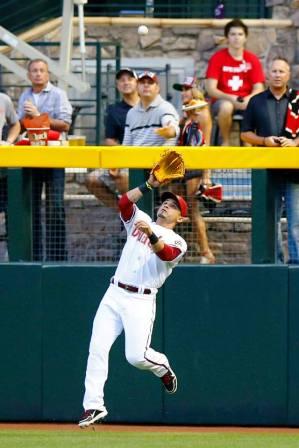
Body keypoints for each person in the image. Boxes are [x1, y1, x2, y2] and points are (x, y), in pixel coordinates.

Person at [79, 172, 188, 428]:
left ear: (180, 218)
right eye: (165, 202)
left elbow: (166, 254)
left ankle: (162, 367)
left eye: (173, 206)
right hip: (114, 292)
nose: (166, 206)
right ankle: (93, 406)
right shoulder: (141, 219)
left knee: (136, 357)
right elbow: (124, 204)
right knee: (97, 348)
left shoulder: (178, 241)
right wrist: (149, 184)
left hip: (141, 300)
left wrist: (151, 234)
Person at [241, 57, 299, 264]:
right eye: (274, 71)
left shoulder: (298, 100)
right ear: (268, 74)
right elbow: (245, 134)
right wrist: (264, 140)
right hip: (266, 173)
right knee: (271, 222)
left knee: (295, 222)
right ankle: (276, 262)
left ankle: (297, 262)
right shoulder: (256, 101)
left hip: (294, 173)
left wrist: (294, 142)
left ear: (288, 75)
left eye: (281, 71)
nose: (277, 75)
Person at [17, 59, 72, 261]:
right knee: (30, 207)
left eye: (42, 70)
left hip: (54, 157)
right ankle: (33, 255)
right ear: (29, 75)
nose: (38, 74)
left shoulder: (59, 94)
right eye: (34, 71)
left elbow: (65, 125)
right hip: (31, 158)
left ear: (48, 74)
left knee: (55, 207)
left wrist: (39, 116)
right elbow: (21, 123)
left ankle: (58, 256)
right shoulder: (25, 95)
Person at [205, 18, 265, 146]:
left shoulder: (252, 59)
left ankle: (248, 145)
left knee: (254, 106)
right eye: (232, 34)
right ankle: (225, 142)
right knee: (227, 107)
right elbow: (211, 88)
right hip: (223, 101)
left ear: (245, 37)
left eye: (240, 34)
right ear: (227, 37)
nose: (236, 38)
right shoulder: (218, 58)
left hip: (246, 100)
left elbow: (259, 88)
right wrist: (231, 98)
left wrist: (248, 99)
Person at [86, 68, 139, 208]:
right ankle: (124, 212)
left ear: (137, 82)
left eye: (130, 79)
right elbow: (109, 140)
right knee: (92, 179)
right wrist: (121, 157)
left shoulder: (147, 105)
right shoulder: (113, 110)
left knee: (123, 177)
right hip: (122, 158)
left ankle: (135, 215)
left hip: (146, 159)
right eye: (122, 80)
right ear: (117, 85)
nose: (126, 82)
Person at [174, 98, 216, 263]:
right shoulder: (184, 123)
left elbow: (203, 150)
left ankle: (206, 252)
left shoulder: (198, 125)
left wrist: (206, 177)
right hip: (179, 169)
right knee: (174, 206)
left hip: (193, 170)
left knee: (193, 210)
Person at [122, 71, 180, 147]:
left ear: (157, 88)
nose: (146, 85)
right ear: (137, 88)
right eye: (142, 82)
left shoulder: (165, 107)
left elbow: (172, 127)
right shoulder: (131, 113)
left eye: (150, 83)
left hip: (158, 157)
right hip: (135, 157)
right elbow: (126, 143)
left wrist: (170, 130)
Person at [0, 93, 21, 255]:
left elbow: (15, 124)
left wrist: (8, 142)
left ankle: (9, 254)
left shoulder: (3, 99)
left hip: (2, 166)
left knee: (8, 210)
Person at [173, 76, 213, 145]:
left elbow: (206, 143)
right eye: (182, 90)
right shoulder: (187, 111)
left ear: (195, 91)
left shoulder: (202, 113)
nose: (182, 93)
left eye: (186, 89)